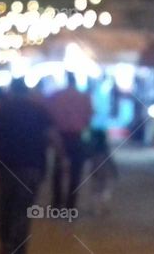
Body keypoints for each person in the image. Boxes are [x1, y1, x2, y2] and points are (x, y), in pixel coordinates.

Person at [0, 78, 56, 254]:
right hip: (32, 166)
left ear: (11, 91)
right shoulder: (39, 110)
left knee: (5, 206)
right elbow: (51, 135)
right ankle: (18, 248)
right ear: (27, 92)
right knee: (24, 210)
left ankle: (5, 244)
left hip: (6, 165)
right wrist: (61, 159)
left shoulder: (1, 111)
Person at [47, 72, 93, 210]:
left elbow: (50, 115)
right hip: (77, 137)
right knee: (76, 172)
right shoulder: (84, 97)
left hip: (60, 137)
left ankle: (56, 204)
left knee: (58, 171)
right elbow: (89, 116)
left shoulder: (57, 96)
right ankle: (70, 205)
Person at [84, 128, 118, 216]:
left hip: (95, 172)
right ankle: (103, 207)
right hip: (105, 173)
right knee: (104, 190)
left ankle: (96, 208)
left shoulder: (92, 151)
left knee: (95, 190)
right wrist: (114, 172)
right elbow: (111, 162)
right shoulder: (105, 151)